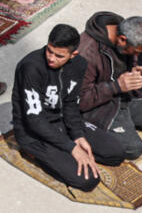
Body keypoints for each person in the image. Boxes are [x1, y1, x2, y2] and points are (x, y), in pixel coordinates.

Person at [9, 24, 118, 192]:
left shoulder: (79, 65)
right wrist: (71, 147)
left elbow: (71, 103)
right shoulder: (31, 67)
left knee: (115, 152)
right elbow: (34, 120)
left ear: (73, 54)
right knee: (89, 180)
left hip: (61, 122)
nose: (51, 58)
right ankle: (38, 155)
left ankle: (65, 152)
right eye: (49, 51)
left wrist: (78, 135)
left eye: (59, 55)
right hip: (33, 132)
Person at [77, 13, 142, 160]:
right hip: (98, 107)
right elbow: (80, 100)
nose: (136, 55)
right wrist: (116, 86)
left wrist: (134, 69)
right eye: (135, 52)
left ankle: (124, 123)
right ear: (122, 39)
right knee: (133, 149)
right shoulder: (87, 53)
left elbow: (128, 60)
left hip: (123, 97)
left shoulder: (122, 32)